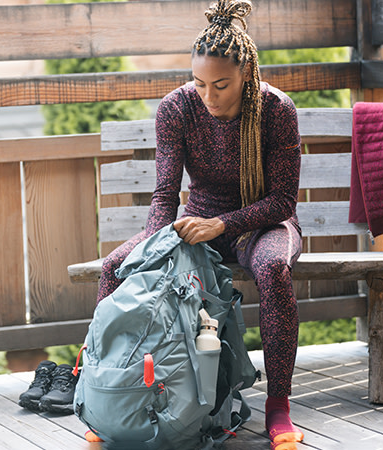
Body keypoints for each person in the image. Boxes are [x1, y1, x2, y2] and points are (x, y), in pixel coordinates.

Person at [96, 0, 304, 448]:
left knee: (272, 268)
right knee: (116, 267)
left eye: (221, 84)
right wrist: (156, 246)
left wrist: (221, 225)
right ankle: (110, 395)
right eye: (199, 82)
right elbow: (165, 194)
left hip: (263, 222)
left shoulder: (276, 110)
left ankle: (278, 407)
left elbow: (283, 201)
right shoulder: (177, 109)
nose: (209, 96)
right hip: (197, 222)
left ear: (246, 71)